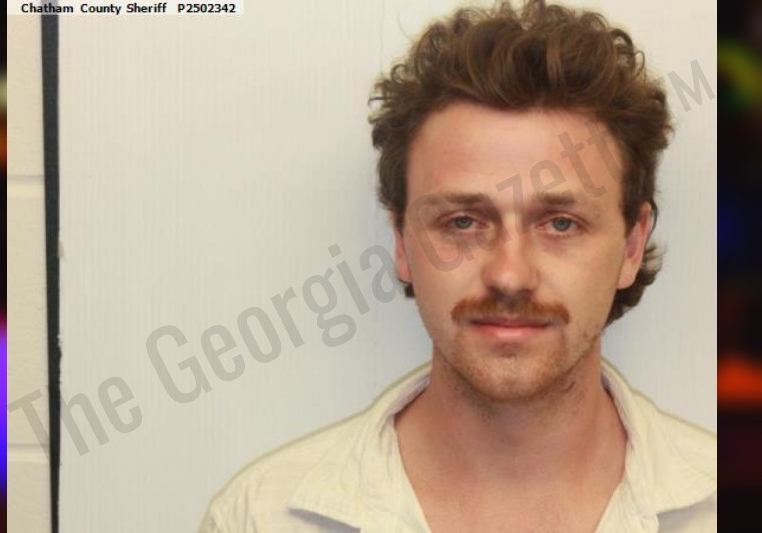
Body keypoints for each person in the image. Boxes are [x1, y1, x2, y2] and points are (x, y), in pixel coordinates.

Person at [199, 1, 716, 531]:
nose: (509, 275)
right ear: (402, 243)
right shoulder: (259, 518)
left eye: (560, 223)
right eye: (463, 222)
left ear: (632, 245)